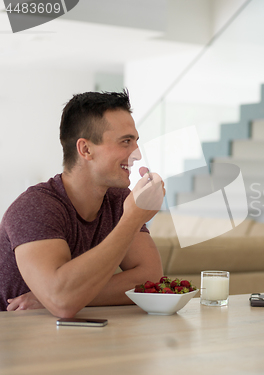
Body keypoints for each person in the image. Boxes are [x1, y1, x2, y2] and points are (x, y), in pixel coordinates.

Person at [0, 90, 165, 317]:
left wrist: (63, 296)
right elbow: (63, 302)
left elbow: (150, 279)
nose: (136, 154)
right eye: (126, 141)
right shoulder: (34, 208)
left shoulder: (118, 199)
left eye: (135, 142)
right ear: (85, 149)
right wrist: (134, 217)